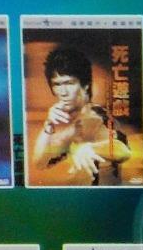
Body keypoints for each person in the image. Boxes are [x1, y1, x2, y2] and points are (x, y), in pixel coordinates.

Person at [31, 43, 130, 184]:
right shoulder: (71, 122)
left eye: (69, 83)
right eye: (57, 84)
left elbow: (123, 150)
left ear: (85, 85)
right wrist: (48, 125)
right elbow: (40, 163)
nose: (63, 92)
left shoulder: (96, 115)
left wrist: (89, 148)